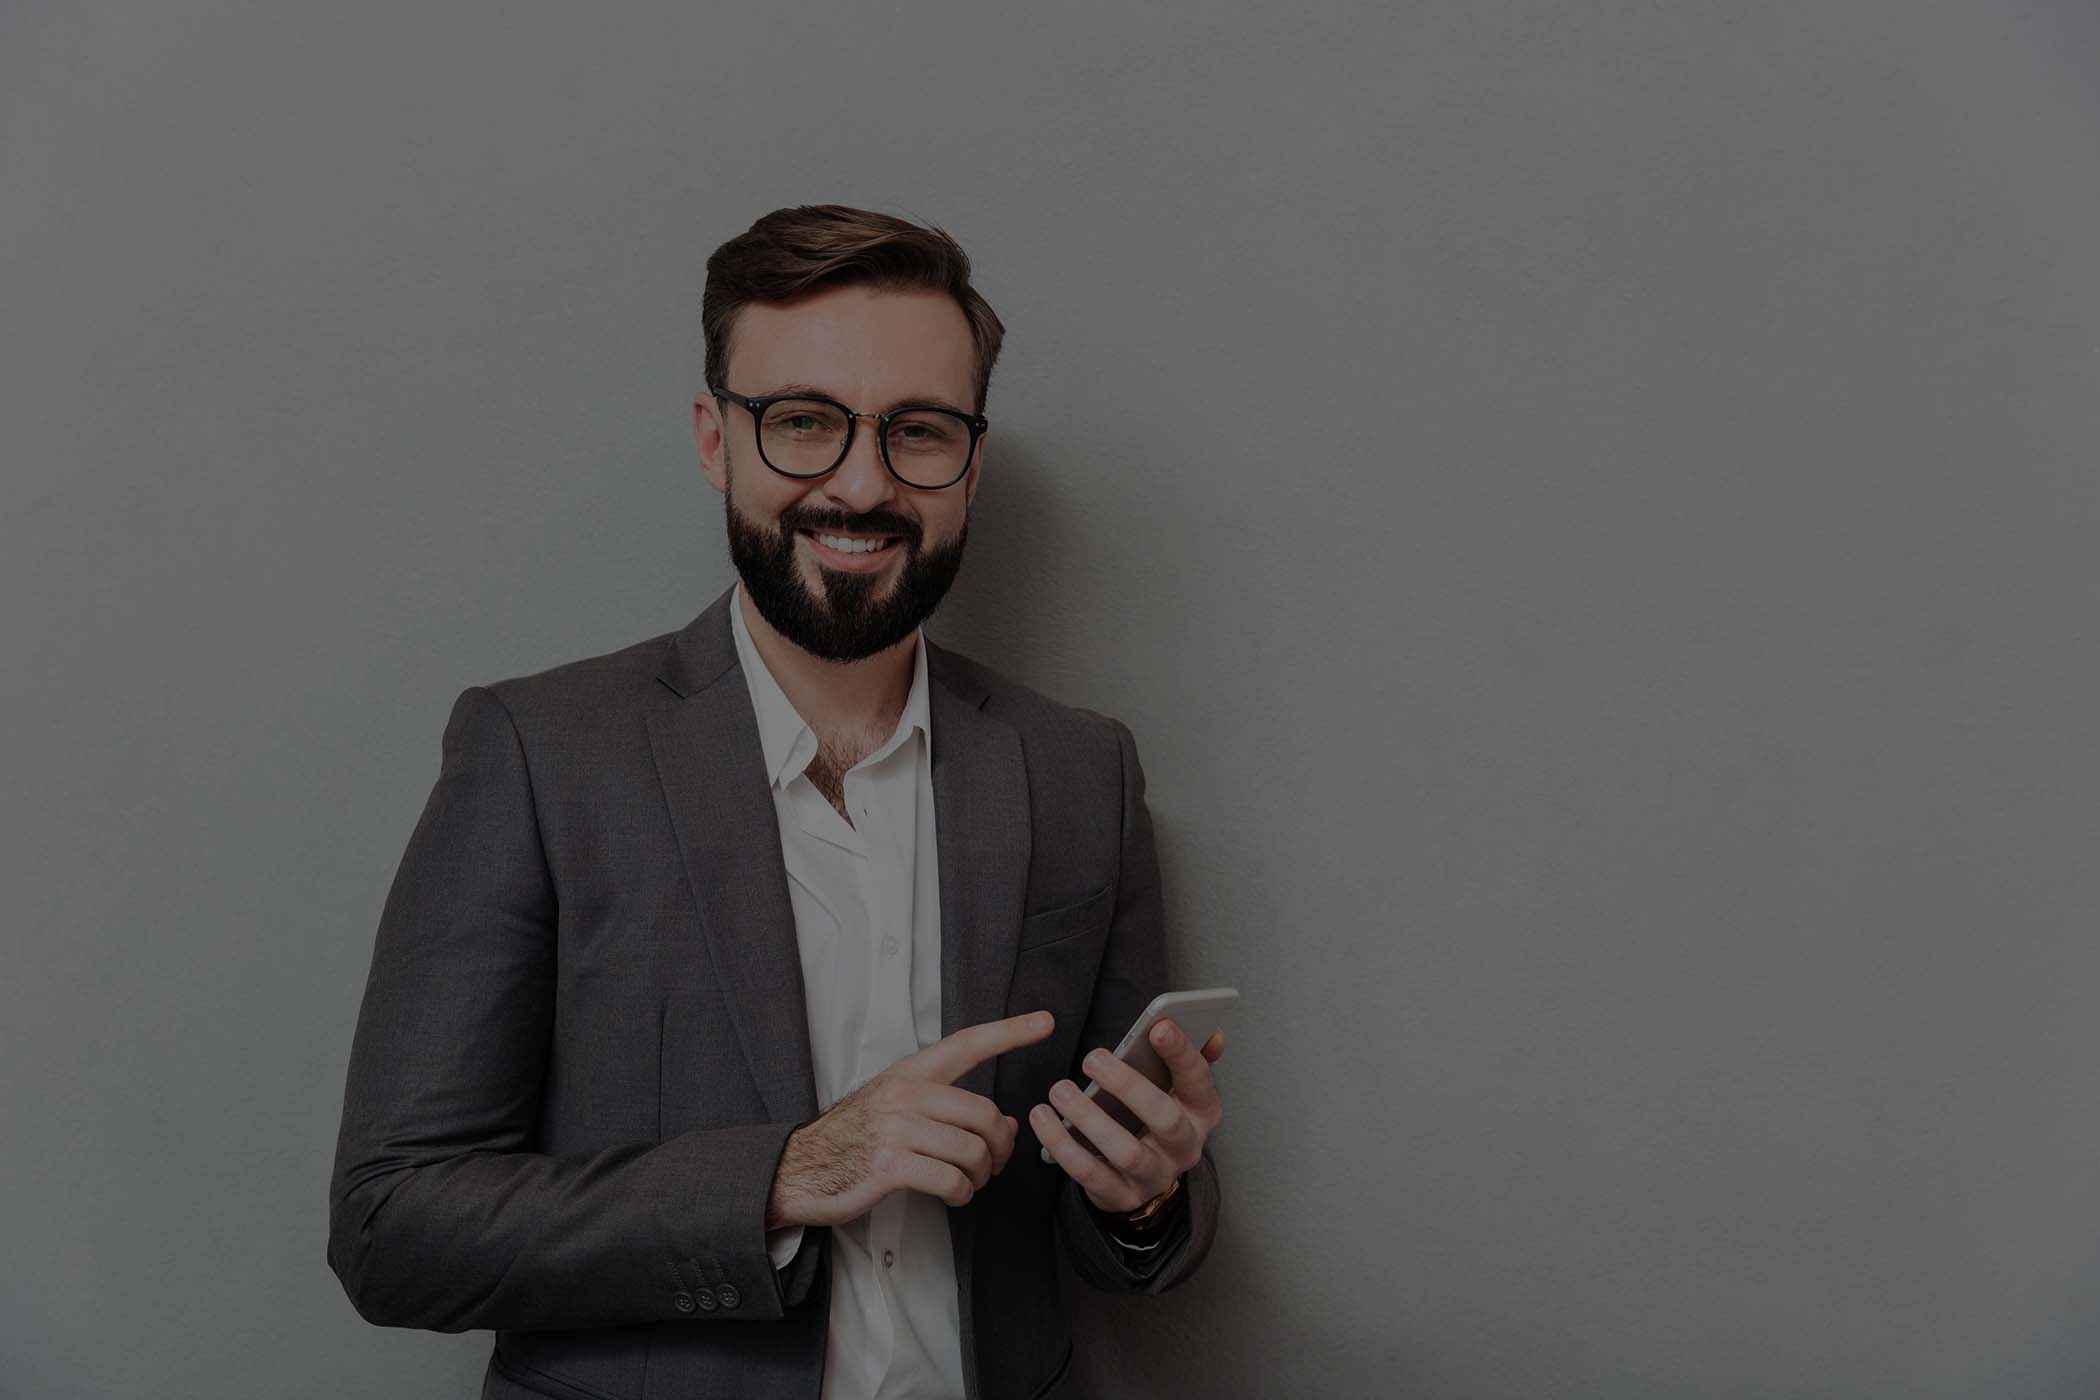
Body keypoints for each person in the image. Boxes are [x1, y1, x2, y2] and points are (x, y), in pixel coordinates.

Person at [326, 204, 1226, 1400]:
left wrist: (1147, 1190)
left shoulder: (1081, 771)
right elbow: (394, 1228)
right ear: (715, 438)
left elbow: (1092, 1219)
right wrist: (789, 1171)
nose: (860, 483)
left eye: (917, 430)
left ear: (971, 459)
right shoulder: (539, 752)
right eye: (802, 421)